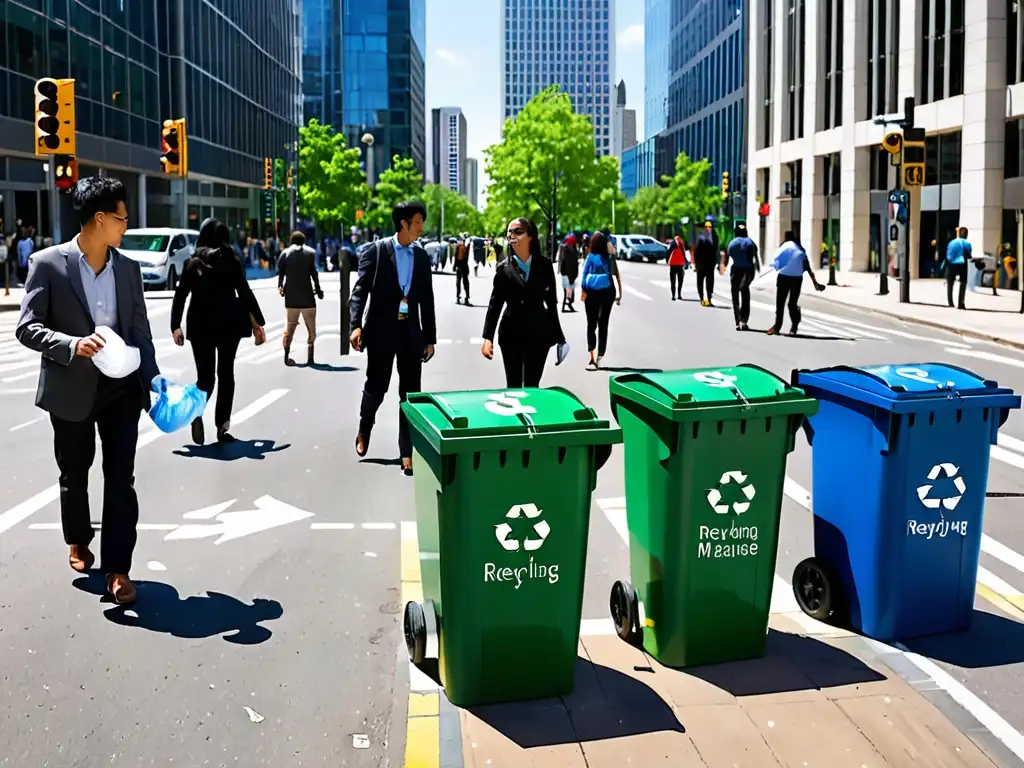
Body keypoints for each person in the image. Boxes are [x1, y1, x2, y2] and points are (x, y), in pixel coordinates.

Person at [15, 177, 160, 605]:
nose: (125, 228)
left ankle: (118, 569)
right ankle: (78, 538)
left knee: (121, 480)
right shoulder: (48, 264)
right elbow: (27, 326)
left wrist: (152, 379)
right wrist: (71, 345)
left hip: (121, 391)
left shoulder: (129, 269)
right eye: (121, 219)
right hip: (71, 389)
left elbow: (139, 331)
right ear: (99, 219)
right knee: (73, 474)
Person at [349, 201, 436, 475]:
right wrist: (355, 326)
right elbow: (359, 291)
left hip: (410, 333)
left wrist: (430, 337)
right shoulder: (375, 252)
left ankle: (406, 451)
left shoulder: (421, 257)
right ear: (404, 223)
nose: (422, 227)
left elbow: (427, 300)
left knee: (410, 394)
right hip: (380, 331)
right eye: (419, 221)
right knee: (377, 386)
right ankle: (365, 426)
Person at [172, 218, 267, 445]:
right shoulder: (231, 259)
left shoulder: (192, 262)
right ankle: (222, 427)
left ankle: (197, 411)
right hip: (228, 325)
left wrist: (175, 325)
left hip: (199, 325)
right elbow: (244, 292)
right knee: (226, 375)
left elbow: (181, 294)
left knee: (205, 378)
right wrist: (258, 324)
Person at [481, 218, 566, 387]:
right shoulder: (503, 268)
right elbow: (495, 304)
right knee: (513, 385)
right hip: (511, 334)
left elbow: (551, 304)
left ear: (530, 236)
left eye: (518, 232)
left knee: (532, 385)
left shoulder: (544, 265)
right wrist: (487, 338)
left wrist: (559, 339)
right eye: (509, 233)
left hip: (539, 333)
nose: (513, 236)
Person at [277, 231, 323, 366]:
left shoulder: (284, 254)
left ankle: (286, 356)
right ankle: (310, 357)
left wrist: (280, 287)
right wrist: (319, 290)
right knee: (311, 328)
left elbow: (281, 274)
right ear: (304, 240)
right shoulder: (310, 253)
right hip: (308, 297)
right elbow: (314, 274)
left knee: (290, 327)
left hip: (291, 298)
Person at [768, 231, 825, 336]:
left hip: (792, 278)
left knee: (788, 304)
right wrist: (815, 283)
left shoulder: (796, 249)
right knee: (784, 304)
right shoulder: (793, 248)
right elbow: (807, 268)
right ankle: (779, 327)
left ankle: (791, 326)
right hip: (790, 278)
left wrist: (815, 283)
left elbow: (807, 266)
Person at [580, 232, 622, 370]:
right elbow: (617, 276)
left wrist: (584, 291)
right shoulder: (610, 257)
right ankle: (600, 355)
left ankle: (591, 358)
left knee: (591, 325)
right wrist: (620, 295)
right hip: (608, 292)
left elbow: (584, 276)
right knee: (603, 324)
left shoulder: (590, 257)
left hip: (591, 292)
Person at [721, 223, 759, 331]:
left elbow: (727, 257)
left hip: (736, 270)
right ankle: (744, 321)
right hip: (748, 271)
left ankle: (737, 322)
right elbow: (755, 257)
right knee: (745, 294)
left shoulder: (732, 243)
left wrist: (723, 265)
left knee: (735, 295)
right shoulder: (750, 242)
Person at [945, 227, 972, 310]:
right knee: (963, 283)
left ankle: (950, 303)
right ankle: (961, 303)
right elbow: (968, 255)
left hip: (951, 264)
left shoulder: (951, 243)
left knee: (950, 283)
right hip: (962, 264)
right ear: (966, 235)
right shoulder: (967, 243)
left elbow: (947, 254)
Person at [693, 221, 719, 306]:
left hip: (709, 264)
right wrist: (696, 263)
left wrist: (716, 262)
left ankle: (708, 299)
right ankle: (702, 299)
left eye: (710, 227)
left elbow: (716, 250)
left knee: (709, 282)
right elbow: (696, 251)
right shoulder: (702, 236)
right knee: (701, 281)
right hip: (702, 263)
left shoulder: (714, 237)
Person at [558, 233, 580, 312]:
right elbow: (566, 263)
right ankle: (565, 306)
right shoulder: (566, 250)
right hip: (567, 274)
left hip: (570, 274)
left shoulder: (570, 249)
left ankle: (567, 304)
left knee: (569, 291)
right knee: (567, 291)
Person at [667, 232, 689, 300]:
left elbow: (668, 252)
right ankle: (679, 295)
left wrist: (667, 261)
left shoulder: (672, 243)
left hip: (673, 265)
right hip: (680, 265)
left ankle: (673, 296)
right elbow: (683, 253)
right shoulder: (681, 243)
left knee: (673, 281)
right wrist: (685, 262)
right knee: (680, 280)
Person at [453, 236, 471, 305]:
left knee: (459, 282)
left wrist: (455, 266)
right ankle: (466, 298)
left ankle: (459, 297)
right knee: (465, 282)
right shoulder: (464, 246)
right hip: (463, 265)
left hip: (460, 265)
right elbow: (457, 256)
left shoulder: (459, 246)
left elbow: (456, 256)